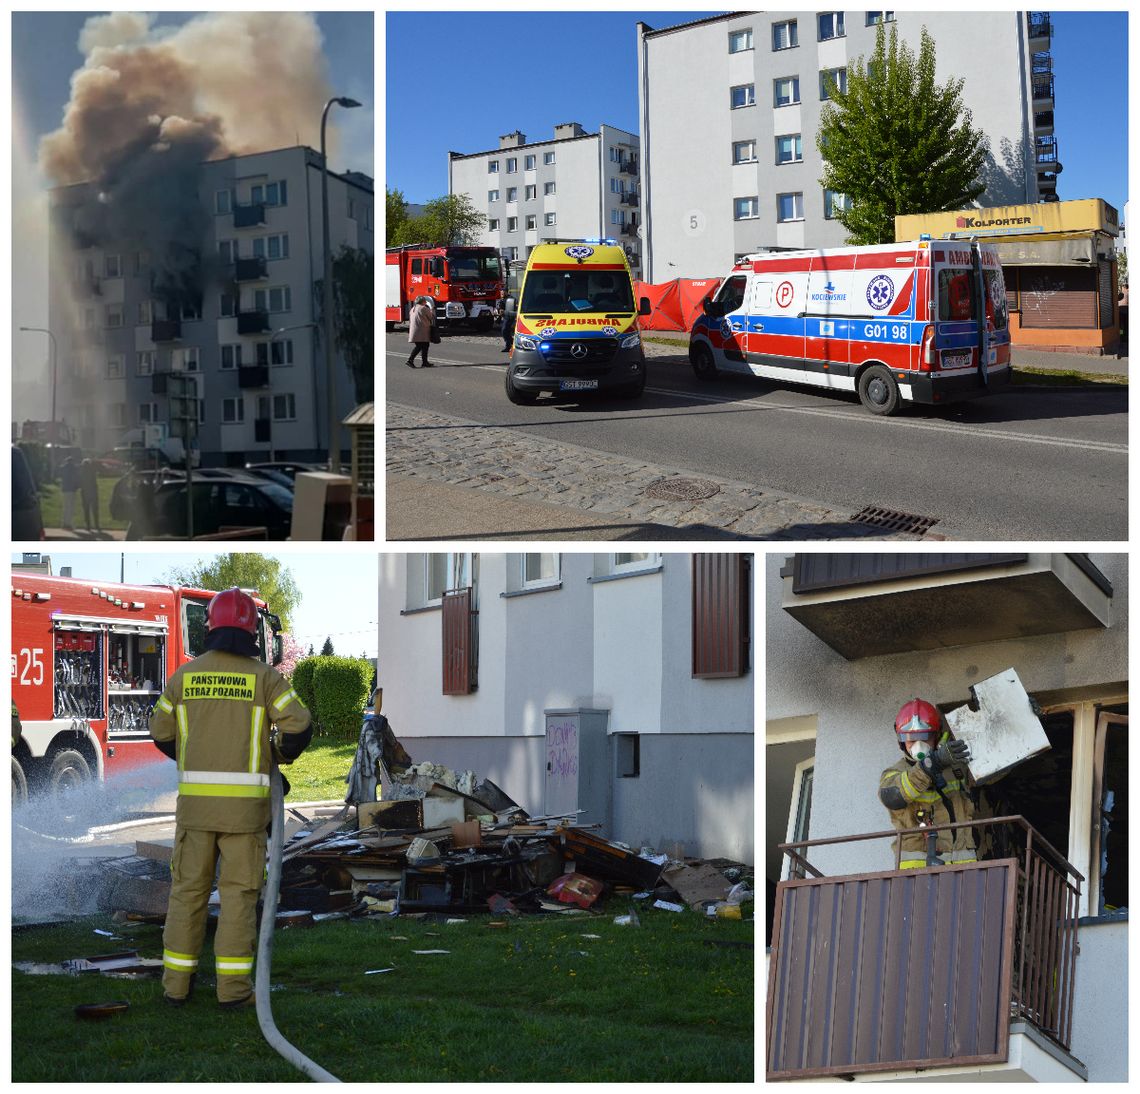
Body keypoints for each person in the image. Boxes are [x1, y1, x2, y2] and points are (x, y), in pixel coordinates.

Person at [149, 588, 312, 1008]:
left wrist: (191, 755)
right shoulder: (265, 678)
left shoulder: (184, 677)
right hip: (246, 816)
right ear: (251, 631)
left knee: (187, 894)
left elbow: (161, 733)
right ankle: (233, 992)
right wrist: (274, 757)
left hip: (195, 812)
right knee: (239, 897)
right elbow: (299, 727)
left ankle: (175, 988)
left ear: (210, 628)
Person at [878, 698, 975, 869]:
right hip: (918, 875)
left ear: (937, 736)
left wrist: (1031, 723)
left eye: (924, 738)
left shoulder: (956, 768)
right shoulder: (894, 773)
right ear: (901, 741)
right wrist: (931, 764)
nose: (918, 745)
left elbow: (994, 768)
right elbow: (892, 797)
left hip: (964, 868)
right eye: (910, 739)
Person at [406, 295, 435, 368]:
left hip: (415, 330)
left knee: (423, 346)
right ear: (422, 301)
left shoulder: (413, 308)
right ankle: (410, 360)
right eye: (425, 300)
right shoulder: (423, 308)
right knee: (420, 346)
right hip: (422, 330)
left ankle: (425, 362)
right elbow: (431, 317)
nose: (425, 302)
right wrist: (432, 310)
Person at [79, 457, 101, 532]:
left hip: (85, 493)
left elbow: (80, 483)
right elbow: (94, 483)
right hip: (93, 492)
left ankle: (88, 525)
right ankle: (97, 525)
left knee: (86, 510)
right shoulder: (92, 471)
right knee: (95, 510)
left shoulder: (81, 472)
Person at [60, 456, 79, 531]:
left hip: (65, 489)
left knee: (65, 506)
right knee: (71, 507)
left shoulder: (63, 468)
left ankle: (64, 523)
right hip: (71, 489)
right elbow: (76, 478)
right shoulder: (73, 468)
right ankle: (69, 523)